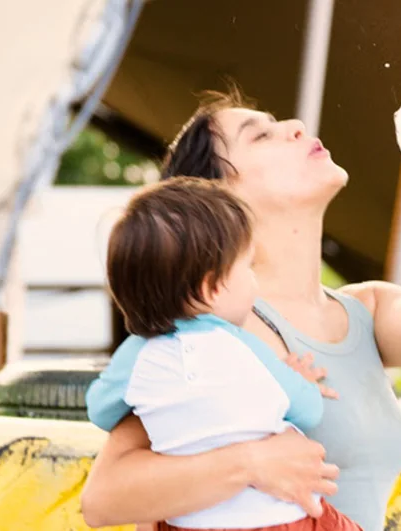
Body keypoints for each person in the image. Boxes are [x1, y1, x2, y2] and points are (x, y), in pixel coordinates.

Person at [82, 29, 401, 531]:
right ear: (218, 195)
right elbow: (105, 498)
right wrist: (248, 465)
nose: (296, 126)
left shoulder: (366, 311)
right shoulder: (207, 326)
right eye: (261, 134)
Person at [97, 176, 362, 531]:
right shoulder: (241, 344)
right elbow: (308, 409)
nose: (253, 281)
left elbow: (101, 407)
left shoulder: (138, 355)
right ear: (213, 286)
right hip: (285, 517)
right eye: (248, 266)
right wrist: (301, 384)